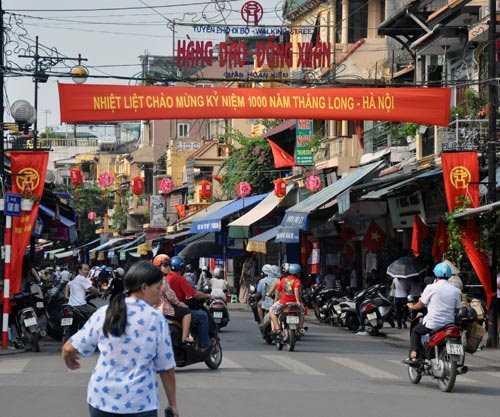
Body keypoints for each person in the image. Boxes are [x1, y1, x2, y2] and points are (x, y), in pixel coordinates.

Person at [62, 261, 179, 417]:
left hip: (102, 401)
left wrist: (69, 359)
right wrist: (172, 404)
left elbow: (69, 348)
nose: (160, 293)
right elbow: (166, 368)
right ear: (144, 288)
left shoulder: (105, 312)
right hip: (140, 405)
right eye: (157, 288)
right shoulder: (156, 319)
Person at [405, 261, 461, 365]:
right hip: (449, 324)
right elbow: (457, 308)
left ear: (436, 274)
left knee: (416, 331)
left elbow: (421, 304)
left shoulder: (431, 287)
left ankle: (414, 356)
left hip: (433, 324)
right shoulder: (456, 290)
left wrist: (412, 306)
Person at [167, 256, 211, 349]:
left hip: (165, 310)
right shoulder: (179, 279)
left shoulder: (165, 278)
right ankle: (204, 344)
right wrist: (207, 295)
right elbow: (194, 294)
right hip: (176, 309)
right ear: (182, 268)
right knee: (202, 315)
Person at [153, 255, 193, 345]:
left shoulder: (153, 279)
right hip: (165, 309)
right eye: (165, 265)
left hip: (155, 309)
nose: (168, 267)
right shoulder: (163, 279)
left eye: (169, 265)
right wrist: (180, 304)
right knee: (187, 312)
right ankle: (185, 337)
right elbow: (171, 297)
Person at [267, 263, 303, 335]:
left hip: (283, 302)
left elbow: (277, 291)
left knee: (271, 311)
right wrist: (298, 301)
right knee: (301, 313)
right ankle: (300, 328)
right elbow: (297, 291)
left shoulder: (283, 280)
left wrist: (275, 299)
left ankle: (277, 329)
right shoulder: (297, 281)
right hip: (295, 303)